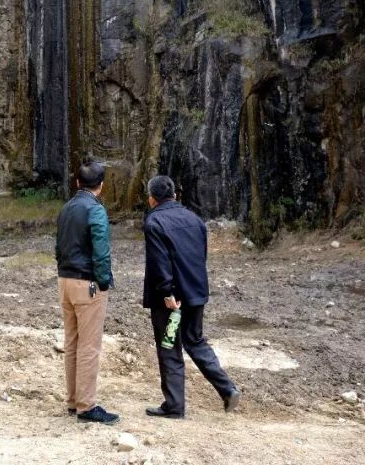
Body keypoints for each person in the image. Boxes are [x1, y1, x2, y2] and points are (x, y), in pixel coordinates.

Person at [142, 175, 240, 418]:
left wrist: (166, 293)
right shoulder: (195, 219)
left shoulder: (154, 222)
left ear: (152, 199)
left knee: (169, 347)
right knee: (195, 341)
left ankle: (174, 406)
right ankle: (227, 389)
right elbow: (201, 256)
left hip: (171, 301)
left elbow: (159, 261)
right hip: (195, 293)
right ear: (175, 195)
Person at [54, 158, 119, 424]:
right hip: (87, 284)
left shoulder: (66, 208)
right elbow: (101, 250)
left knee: (71, 343)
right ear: (101, 186)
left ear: (78, 182)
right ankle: (86, 406)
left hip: (65, 281)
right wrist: (103, 281)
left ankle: (72, 401)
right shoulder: (96, 210)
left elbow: (58, 247)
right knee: (89, 346)